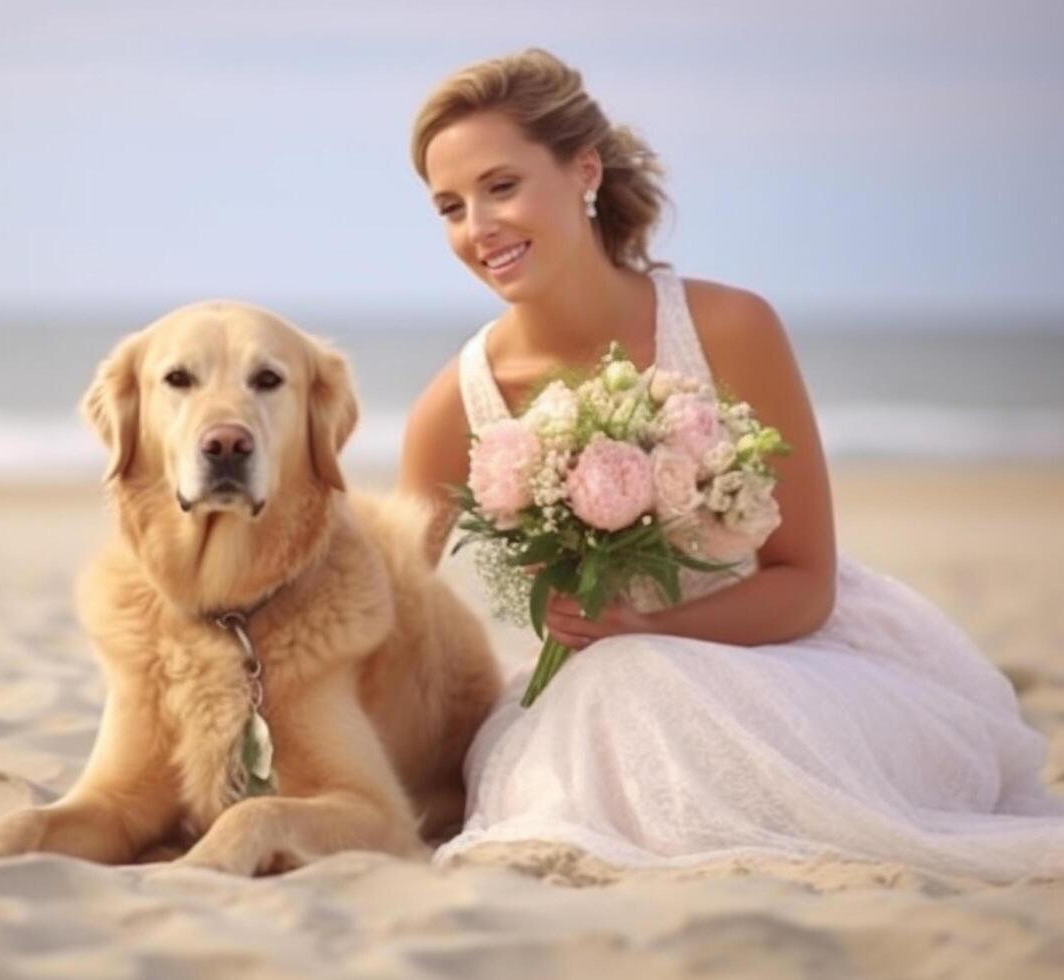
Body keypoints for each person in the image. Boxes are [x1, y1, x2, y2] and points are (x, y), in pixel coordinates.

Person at [397, 48, 1064, 882]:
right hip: (597, 699)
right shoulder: (450, 409)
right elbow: (389, 616)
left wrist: (644, 630)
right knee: (614, 698)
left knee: (638, 680)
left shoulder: (731, 328)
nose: (477, 228)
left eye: (501, 187)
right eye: (450, 207)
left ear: (584, 171)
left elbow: (807, 583)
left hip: (792, 664)